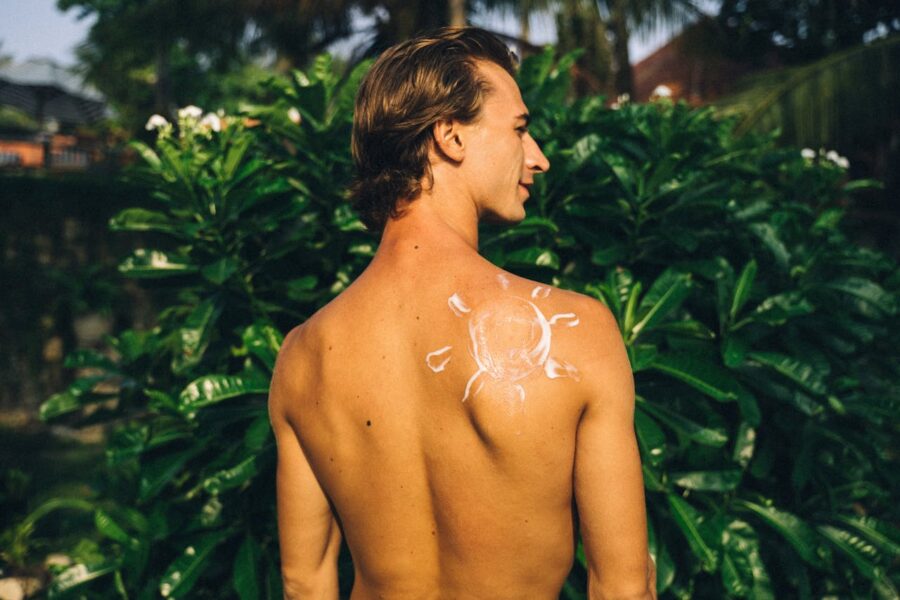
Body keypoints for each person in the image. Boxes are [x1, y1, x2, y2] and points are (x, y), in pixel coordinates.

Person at [268, 26, 656, 600]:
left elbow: (305, 583)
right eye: (520, 130)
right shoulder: (579, 333)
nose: (538, 158)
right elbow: (623, 587)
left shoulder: (302, 355)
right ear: (450, 136)